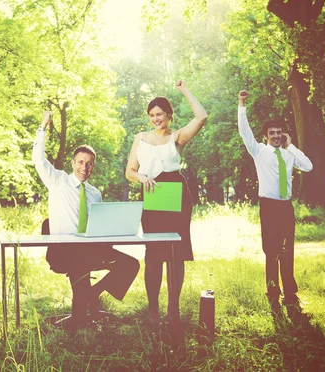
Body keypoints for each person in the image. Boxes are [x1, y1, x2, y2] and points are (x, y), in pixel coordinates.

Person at [33, 111, 140, 331]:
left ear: (93, 166)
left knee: (131, 264)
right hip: (65, 252)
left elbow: (97, 226)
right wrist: (43, 126)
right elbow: (37, 159)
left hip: (91, 249)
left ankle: (93, 294)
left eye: (89, 164)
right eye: (81, 162)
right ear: (73, 163)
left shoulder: (94, 193)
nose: (85, 167)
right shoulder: (57, 181)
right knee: (79, 266)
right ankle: (79, 319)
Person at [125, 80, 208, 333]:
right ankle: (153, 309)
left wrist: (184, 89)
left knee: (175, 255)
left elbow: (202, 116)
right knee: (154, 256)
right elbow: (129, 171)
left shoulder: (177, 137)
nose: (155, 119)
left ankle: (173, 308)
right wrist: (142, 177)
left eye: (159, 114)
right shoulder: (140, 138)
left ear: (169, 115)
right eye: (151, 115)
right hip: (151, 194)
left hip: (177, 194)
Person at [237, 90, 313, 313]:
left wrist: (291, 146)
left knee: (287, 250)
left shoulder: (289, 153)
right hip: (269, 207)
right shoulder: (259, 151)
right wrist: (241, 104)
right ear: (266, 136)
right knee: (271, 252)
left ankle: (290, 293)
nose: (276, 135)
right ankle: (272, 293)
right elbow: (244, 131)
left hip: (285, 208)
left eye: (279, 132)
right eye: (272, 133)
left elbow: (308, 166)